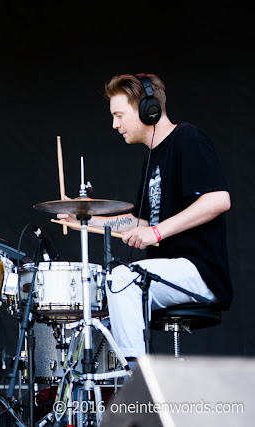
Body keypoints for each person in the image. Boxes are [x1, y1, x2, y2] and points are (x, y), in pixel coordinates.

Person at [58, 73, 232, 361]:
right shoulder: (152, 159)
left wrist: (158, 232)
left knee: (122, 280)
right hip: (169, 270)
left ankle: (138, 383)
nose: (115, 124)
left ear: (146, 108)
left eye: (119, 115)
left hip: (200, 272)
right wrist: (84, 218)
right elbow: (140, 223)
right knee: (105, 286)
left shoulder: (187, 139)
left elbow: (218, 199)